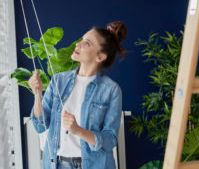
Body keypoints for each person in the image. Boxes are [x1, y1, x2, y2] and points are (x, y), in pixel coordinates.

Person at [28, 21, 127, 169]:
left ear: (100, 57)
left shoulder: (111, 90)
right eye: (81, 39)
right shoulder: (58, 81)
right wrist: (37, 94)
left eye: (86, 43)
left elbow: (109, 139)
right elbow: (40, 125)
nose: (78, 44)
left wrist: (79, 131)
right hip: (56, 164)